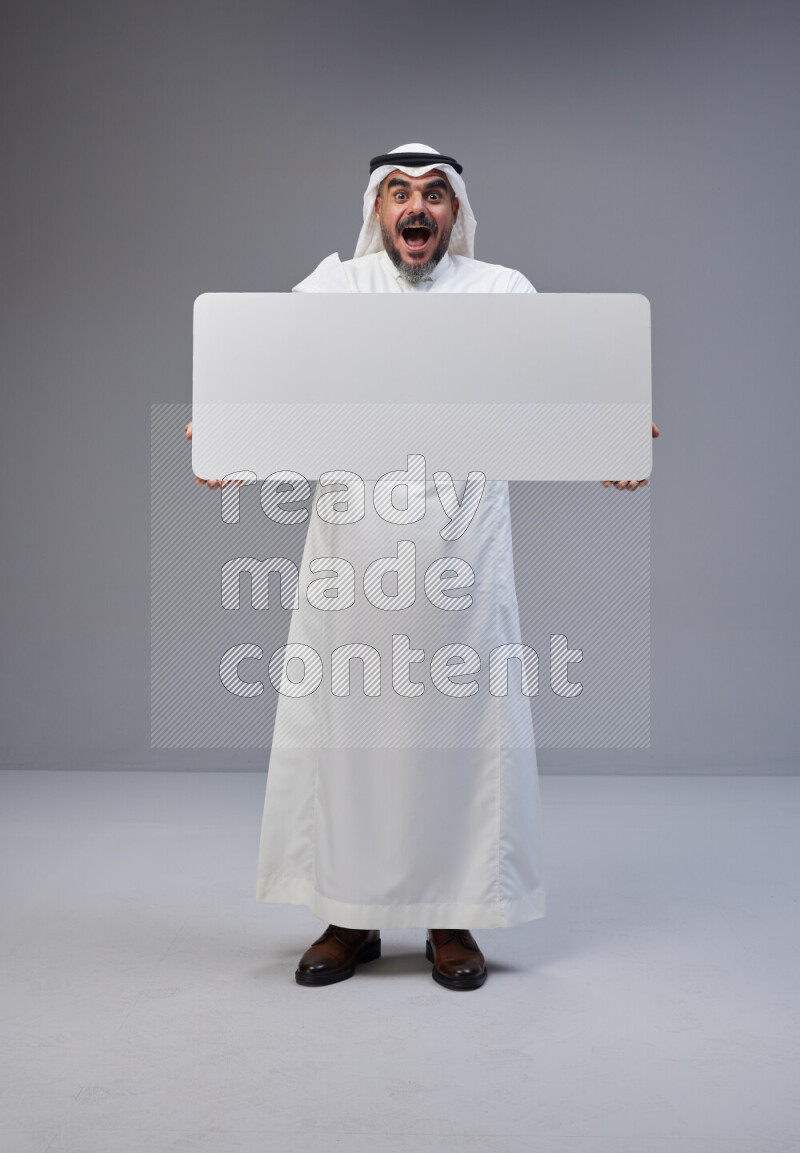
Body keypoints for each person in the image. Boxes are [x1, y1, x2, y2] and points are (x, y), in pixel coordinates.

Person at [187, 142, 658, 991]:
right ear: (376, 209)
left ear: (455, 213)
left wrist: (613, 438)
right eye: (399, 192)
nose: (416, 207)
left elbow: (556, 389)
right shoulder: (335, 290)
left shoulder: (502, 293)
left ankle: (452, 919)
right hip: (353, 553)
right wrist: (225, 434)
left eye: (434, 194)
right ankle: (350, 915)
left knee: (459, 736)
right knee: (351, 734)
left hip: (461, 559)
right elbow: (268, 378)